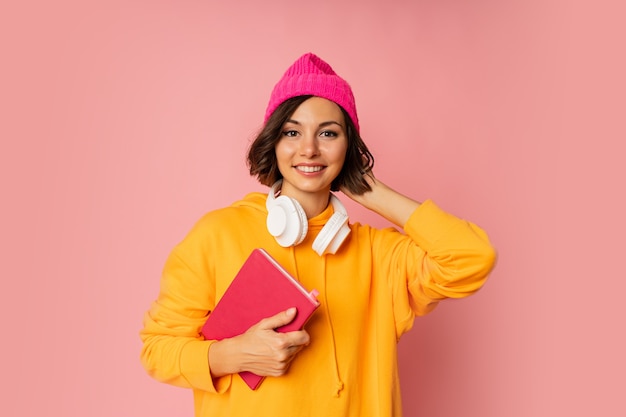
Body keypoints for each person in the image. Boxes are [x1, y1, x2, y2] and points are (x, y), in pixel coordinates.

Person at [140, 52, 496, 417]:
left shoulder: (380, 256)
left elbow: (472, 257)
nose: (309, 149)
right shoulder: (217, 235)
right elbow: (157, 348)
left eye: (328, 133)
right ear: (274, 143)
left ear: (348, 147)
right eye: (291, 132)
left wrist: (371, 191)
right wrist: (231, 354)